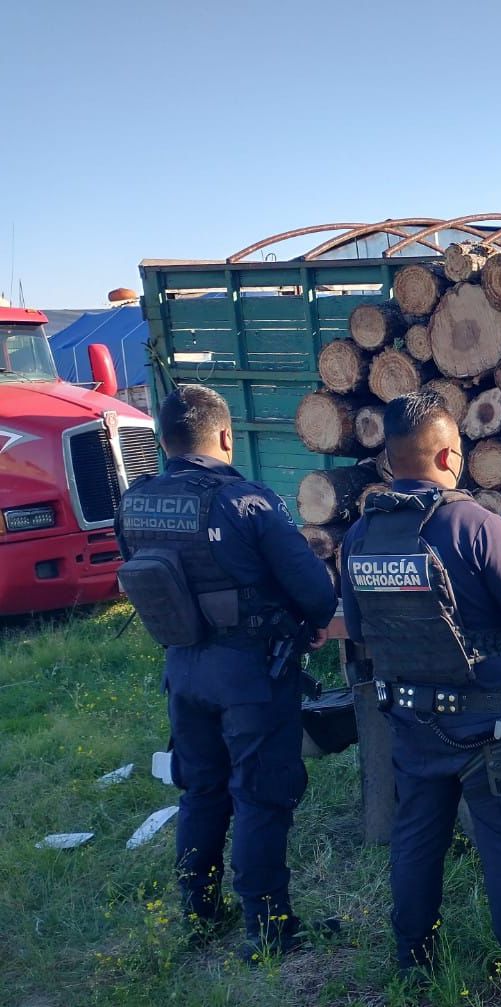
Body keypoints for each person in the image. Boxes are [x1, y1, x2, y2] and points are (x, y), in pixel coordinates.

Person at [339, 390, 501, 1004]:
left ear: (392, 460)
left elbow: (358, 627)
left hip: (412, 720)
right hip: (485, 724)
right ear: (450, 454)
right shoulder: (474, 522)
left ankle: (413, 962)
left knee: (417, 841)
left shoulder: (359, 537)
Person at [116, 384, 338, 962]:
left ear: (165, 441)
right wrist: (309, 619)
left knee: (202, 789)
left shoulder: (134, 501)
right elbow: (315, 592)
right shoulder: (249, 503)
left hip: (183, 673)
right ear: (224, 437)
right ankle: (268, 929)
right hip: (250, 677)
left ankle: (198, 911)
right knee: (261, 796)